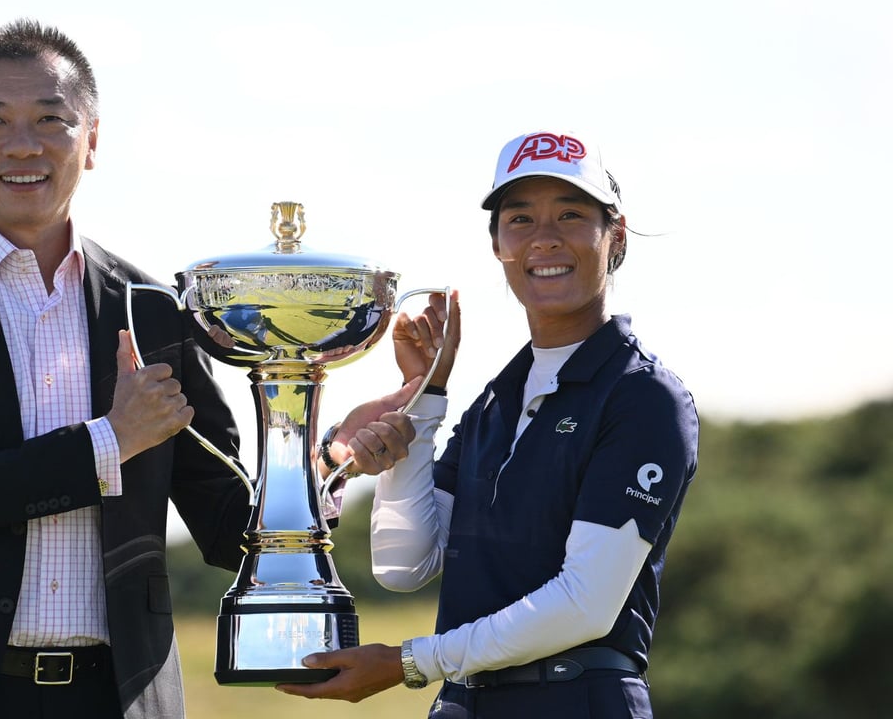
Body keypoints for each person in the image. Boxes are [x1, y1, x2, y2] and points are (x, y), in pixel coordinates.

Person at [0, 20, 252, 719]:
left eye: (50, 120)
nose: (22, 145)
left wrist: (328, 461)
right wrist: (110, 442)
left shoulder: (154, 311)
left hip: (121, 696)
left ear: (91, 141)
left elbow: (224, 519)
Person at [278, 131, 700, 718]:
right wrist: (422, 404)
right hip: (465, 705)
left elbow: (585, 605)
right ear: (498, 244)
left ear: (616, 235)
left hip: (578, 700)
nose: (544, 238)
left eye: (572, 214)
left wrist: (408, 662)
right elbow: (404, 565)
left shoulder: (644, 397)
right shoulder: (497, 401)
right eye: (520, 218)